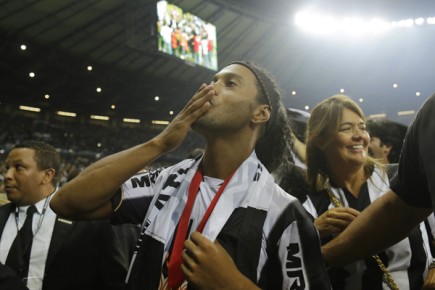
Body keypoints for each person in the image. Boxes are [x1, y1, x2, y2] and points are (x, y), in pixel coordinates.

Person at [50, 61, 331, 290]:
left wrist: (231, 285)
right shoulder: (166, 182)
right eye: (213, 80)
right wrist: (158, 144)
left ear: (260, 113)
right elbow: (66, 203)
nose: (210, 88)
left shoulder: (284, 213)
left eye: (229, 83)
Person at [301, 94, 433, 289]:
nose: (359, 135)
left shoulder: (402, 177)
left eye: (362, 127)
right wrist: (312, 232)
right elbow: (290, 266)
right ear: (320, 140)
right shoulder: (307, 201)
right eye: (346, 128)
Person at [0, 140, 129, 290]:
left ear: (47, 175)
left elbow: (113, 281)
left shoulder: (89, 221)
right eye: (7, 168)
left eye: (19, 167)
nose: (7, 175)